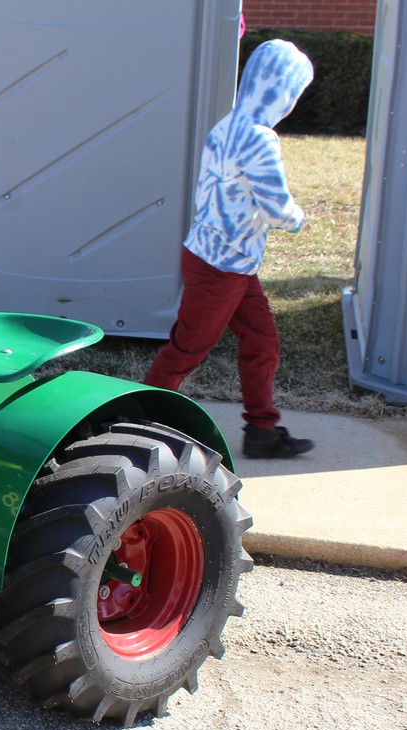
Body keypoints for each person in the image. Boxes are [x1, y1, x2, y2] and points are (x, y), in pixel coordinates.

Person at [145, 39, 315, 459]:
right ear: (280, 90)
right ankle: (134, 421)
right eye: (294, 92)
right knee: (188, 348)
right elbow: (276, 207)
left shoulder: (226, 126)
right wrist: (298, 218)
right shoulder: (259, 139)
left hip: (228, 259)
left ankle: (261, 429)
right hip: (220, 265)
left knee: (262, 340)